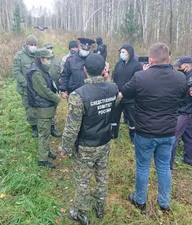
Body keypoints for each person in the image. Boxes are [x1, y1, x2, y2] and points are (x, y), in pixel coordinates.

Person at [121, 43, 187, 214]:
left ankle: (140, 200)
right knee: (164, 167)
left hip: (145, 133)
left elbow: (126, 92)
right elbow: (183, 95)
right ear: (169, 59)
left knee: (143, 167)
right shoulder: (180, 78)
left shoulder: (141, 77)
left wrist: (144, 72)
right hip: (168, 132)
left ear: (150, 60)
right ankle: (164, 203)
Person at [59, 53, 121, 224]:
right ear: (103, 70)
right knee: (102, 176)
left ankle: (82, 213)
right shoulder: (113, 88)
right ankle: (100, 208)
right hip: (104, 142)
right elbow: (114, 103)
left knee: (83, 180)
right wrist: (107, 79)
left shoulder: (78, 95)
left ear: (84, 70)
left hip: (85, 147)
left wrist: (65, 148)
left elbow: (72, 127)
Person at [26, 49, 61, 169]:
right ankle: (42, 160)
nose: (49, 61)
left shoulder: (42, 70)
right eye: (47, 59)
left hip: (46, 107)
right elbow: (44, 91)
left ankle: (46, 151)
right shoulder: (36, 73)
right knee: (43, 134)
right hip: (42, 108)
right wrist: (57, 98)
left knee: (46, 132)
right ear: (41, 59)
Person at [170, 56, 192, 169]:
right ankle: (189, 160)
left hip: (185, 112)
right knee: (188, 137)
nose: (178, 67)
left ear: (186, 65)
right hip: (185, 111)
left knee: (173, 135)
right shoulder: (185, 77)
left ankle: (168, 163)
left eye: (180, 66)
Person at [112, 44, 143, 142]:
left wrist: (124, 93)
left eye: (123, 52)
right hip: (117, 96)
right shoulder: (119, 64)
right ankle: (113, 134)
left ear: (129, 53)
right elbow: (115, 77)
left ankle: (133, 137)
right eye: (120, 52)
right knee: (114, 117)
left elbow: (136, 82)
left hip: (130, 98)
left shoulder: (137, 65)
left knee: (132, 119)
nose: (121, 54)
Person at [12, 35, 39, 137]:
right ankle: (34, 127)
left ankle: (42, 124)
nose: (33, 46)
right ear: (27, 45)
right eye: (31, 44)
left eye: (35, 45)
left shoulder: (38, 54)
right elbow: (16, 72)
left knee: (40, 106)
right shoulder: (19, 56)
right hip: (26, 89)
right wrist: (26, 84)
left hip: (38, 87)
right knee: (29, 108)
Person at [43, 42, 63, 137]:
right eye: (47, 48)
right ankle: (44, 126)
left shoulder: (59, 60)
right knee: (45, 108)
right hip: (44, 88)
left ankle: (52, 127)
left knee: (53, 108)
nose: (49, 49)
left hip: (55, 89)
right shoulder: (41, 60)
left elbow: (62, 74)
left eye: (50, 47)